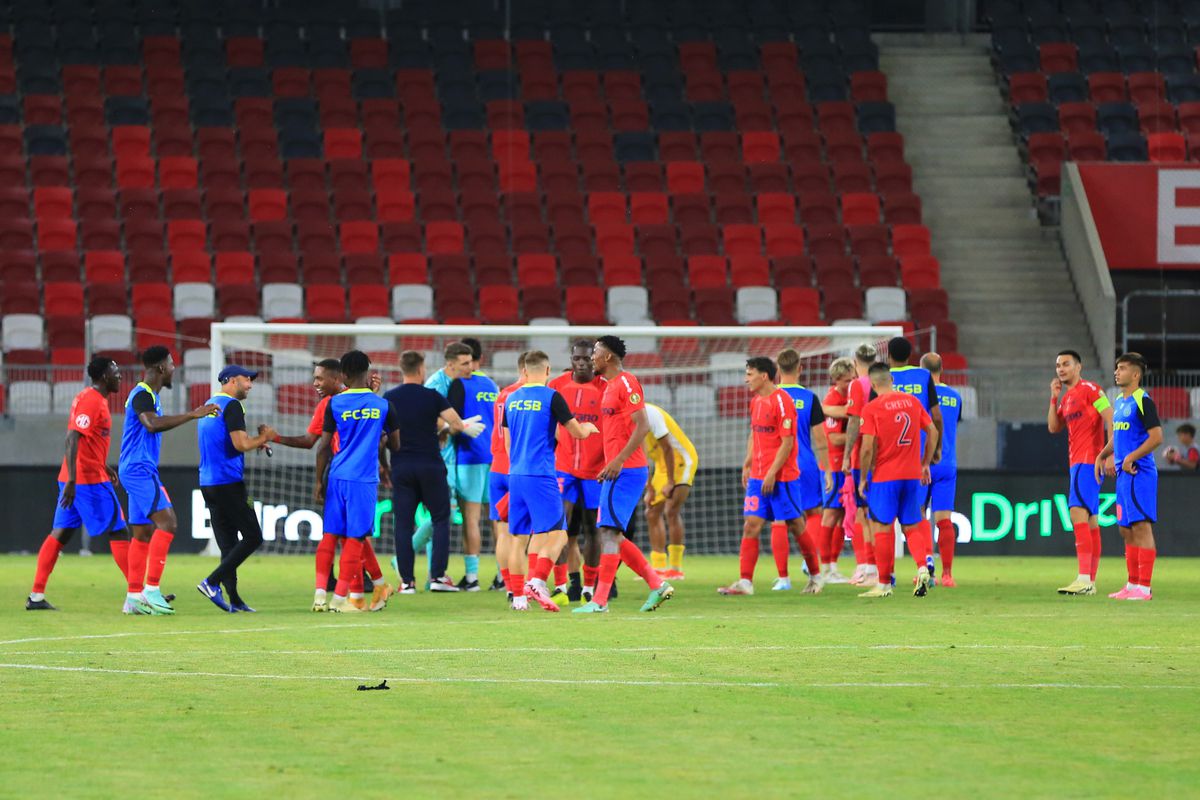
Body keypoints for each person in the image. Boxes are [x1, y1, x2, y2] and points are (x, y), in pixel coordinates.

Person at [273, 359, 390, 612]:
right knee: (351, 537)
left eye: (319, 379)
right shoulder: (331, 403)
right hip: (341, 475)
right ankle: (364, 590)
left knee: (351, 538)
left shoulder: (347, 400)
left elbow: (313, 442)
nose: (314, 384)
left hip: (350, 475)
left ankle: (357, 594)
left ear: (339, 378)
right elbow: (312, 442)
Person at [573, 335, 675, 614]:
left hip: (627, 470)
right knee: (610, 533)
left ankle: (600, 601)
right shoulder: (609, 385)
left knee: (608, 532)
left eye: (594, 352)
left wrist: (617, 461)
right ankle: (656, 584)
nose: (591, 357)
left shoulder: (627, 382)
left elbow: (642, 425)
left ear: (607, 357)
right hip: (617, 469)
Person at [118, 346, 219, 615]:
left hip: (138, 468)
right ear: (161, 368)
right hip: (139, 469)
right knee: (168, 522)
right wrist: (191, 414)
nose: (175, 368)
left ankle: (133, 597)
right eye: (172, 364)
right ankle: (151, 590)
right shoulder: (142, 394)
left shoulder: (149, 395)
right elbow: (151, 424)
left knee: (142, 532)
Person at [26, 357, 130, 611]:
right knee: (118, 529)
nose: (119, 377)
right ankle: (139, 592)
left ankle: (36, 596)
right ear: (104, 376)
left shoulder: (91, 398)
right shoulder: (92, 401)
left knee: (60, 533)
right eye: (115, 372)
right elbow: (72, 438)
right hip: (86, 481)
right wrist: (74, 480)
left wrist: (104, 465)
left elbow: (86, 441)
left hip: (79, 477)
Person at [502, 350, 598, 611]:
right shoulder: (552, 396)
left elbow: (507, 443)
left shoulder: (511, 399)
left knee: (518, 538)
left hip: (516, 474)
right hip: (541, 475)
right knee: (559, 535)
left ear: (524, 371)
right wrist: (588, 429)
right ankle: (537, 580)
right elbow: (576, 432)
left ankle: (519, 599)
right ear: (547, 371)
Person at [384, 350, 485, 596]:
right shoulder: (432, 396)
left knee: (404, 524)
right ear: (421, 370)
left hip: (402, 467)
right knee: (441, 518)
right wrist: (462, 426)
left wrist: (385, 466)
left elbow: (383, 436)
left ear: (402, 370)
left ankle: (407, 582)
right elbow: (457, 424)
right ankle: (438, 576)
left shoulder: (389, 397)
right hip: (430, 465)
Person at [719, 356, 822, 596]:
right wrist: (747, 463)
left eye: (750, 374)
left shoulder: (783, 401)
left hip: (783, 476)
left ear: (764, 376)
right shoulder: (756, 402)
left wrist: (772, 473)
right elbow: (755, 435)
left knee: (796, 525)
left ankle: (816, 576)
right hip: (758, 475)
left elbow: (788, 442)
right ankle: (745, 582)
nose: (746, 379)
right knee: (751, 525)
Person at [314, 351, 402, 613]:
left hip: (337, 476)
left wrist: (319, 481)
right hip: (363, 480)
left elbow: (322, 447)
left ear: (343, 375)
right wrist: (380, 435)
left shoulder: (334, 404)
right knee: (355, 538)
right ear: (368, 371)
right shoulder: (384, 405)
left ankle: (321, 595)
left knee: (331, 535)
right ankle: (341, 599)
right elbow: (395, 445)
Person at [194, 365, 277, 612]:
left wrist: (256, 443)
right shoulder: (232, 406)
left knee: (229, 545)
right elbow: (240, 445)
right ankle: (211, 582)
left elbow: (227, 444)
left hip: (208, 483)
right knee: (254, 536)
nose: (250, 384)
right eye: (246, 380)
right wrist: (265, 437)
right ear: (230, 381)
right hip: (228, 483)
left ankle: (235, 600)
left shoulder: (211, 405)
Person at [857, 363, 939, 598]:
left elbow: (866, 448)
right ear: (891, 379)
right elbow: (932, 431)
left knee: (883, 526)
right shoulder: (912, 402)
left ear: (873, 384)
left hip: (885, 476)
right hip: (912, 474)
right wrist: (925, 463)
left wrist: (863, 477)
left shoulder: (872, 408)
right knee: (911, 526)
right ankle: (923, 568)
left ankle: (884, 584)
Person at [1096, 353, 1162, 601]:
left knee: (1141, 526)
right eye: (1116, 368)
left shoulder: (1143, 401)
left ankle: (1144, 588)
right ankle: (1132, 583)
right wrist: (1102, 454)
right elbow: (1118, 436)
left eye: (1122, 368)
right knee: (1125, 529)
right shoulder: (1121, 403)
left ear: (1135, 374)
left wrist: (1132, 456)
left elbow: (1156, 437)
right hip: (1124, 474)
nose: (1117, 372)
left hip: (1140, 473)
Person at [1049, 349, 1113, 596]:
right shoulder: (1066, 398)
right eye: (1058, 365)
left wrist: (1109, 454)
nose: (1061, 369)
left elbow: (1110, 417)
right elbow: (1054, 427)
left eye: (1066, 364)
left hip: (1088, 461)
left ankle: (1084, 578)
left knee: (1077, 513)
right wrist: (1053, 398)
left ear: (1078, 367)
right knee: (1090, 520)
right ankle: (1090, 581)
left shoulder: (1091, 389)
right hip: (1078, 462)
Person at [410, 342, 475, 584]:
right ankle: (403, 553)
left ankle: (432, 575)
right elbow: (428, 416)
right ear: (450, 364)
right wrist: (456, 426)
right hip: (437, 457)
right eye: (465, 364)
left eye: (470, 362)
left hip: (453, 456)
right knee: (444, 513)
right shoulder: (435, 385)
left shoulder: (458, 383)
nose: (470, 368)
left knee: (441, 515)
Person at [548, 339, 606, 600]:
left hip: (597, 470)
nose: (581, 364)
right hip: (564, 467)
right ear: (570, 360)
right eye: (577, 359)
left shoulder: (606, 388)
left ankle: (589, 587)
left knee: (593, 528)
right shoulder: (556, 387)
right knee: (560, 526)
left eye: (586, 359)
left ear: (594, 360)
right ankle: (562, 585)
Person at [770, 348, 832, 589]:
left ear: (777, 370)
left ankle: (783, 578)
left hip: (778, 463)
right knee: (814, 513)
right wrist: (826, 469)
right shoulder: (810, 398)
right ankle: (810, 562)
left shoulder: (771, 397)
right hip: (805, 463)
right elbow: (820, 439)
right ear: (800, 369)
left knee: (779, 520)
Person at [447, 337, 499, 590]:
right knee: (497, 519)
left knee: (471, 518)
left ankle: (472, 578)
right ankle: (503, 577)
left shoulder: (459, 384)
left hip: (470, 457)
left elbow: (454, 424)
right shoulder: (491, 385)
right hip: (496, 457)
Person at [829, 343, 879, 585]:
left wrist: (848, 453)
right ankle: (878, 567)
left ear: (856, 362)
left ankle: (868, 568)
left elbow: (853, 422)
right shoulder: (885, 382)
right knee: (878, 514)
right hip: (886, 456)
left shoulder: (858, 385)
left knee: (862, 513)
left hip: (863, 455)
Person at [642, 402, 697, 581]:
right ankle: (657, 569)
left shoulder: (650, 414)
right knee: (651, 512)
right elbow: (640, 457)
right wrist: (649, 488)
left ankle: (675, 568)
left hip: (682, 459)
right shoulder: (625, 418)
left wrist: (671, 482)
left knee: (671, 510)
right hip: (661, 465)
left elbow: (667, 448)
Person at [921, 353, 963, 587]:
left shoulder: (918, 394)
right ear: (942, 369)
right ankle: (947, 574)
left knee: (918, 519)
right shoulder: (955, 396)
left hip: (922, 462)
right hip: (947, 463)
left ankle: (927, 571)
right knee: (944, 521)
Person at [489, 352, 527, 599]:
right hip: (519, 470)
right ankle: (521, 589)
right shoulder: (529, 396)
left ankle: (508, 586)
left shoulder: (502, 394)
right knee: (522, 536)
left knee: (502, 533)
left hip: (496, 469)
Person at [818, 358, 856, 585]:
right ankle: (825, 567)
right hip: (833, 464)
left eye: (853, 379)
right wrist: (860, 435)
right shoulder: (832, 398)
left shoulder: (846, 398)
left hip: (846, 463)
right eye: (846, 381)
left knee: (842, 516)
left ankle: (833, 565)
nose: (850, 384)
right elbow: (833, 437)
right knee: (830, 515)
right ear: (836, 380)